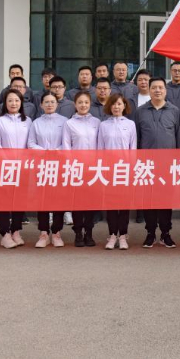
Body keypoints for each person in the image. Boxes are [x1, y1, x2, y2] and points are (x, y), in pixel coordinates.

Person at [134, 77, 180, 248]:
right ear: (149, 90)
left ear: (165, 90)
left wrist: (178, 162)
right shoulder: (140, 111)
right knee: (148, 199)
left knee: (165, 200)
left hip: (167, 165)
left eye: (160, 87)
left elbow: (178, 136)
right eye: (154, 87)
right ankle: (150, 233)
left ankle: (165, 233)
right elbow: (137, 138)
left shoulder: (175, 111)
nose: (157, 90)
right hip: (147, 165)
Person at [0, 89, 31, 249]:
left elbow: (30, 143)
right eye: (10, 100)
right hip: (4, 167)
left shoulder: (27, 121)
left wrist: (23, 162)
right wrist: (7, 162)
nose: (13, 103)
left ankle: (16, 231)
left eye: (16, 100)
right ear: (5, 103)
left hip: (23, 167)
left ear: (21, 103)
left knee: (19, 201)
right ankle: (5, 233)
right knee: (4, 201)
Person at [27, 94, 69, 247]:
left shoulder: (64, 122)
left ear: (57, 104)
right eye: (46, 102)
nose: (49, 104)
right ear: (41, 105)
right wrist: (45, 152)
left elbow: (67, 142)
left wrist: (56, 151)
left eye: (52, 102)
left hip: (59, 165)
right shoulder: (36, 123)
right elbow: (31, 143)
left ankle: (56, 232)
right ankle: (43, 232)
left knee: (59, 199)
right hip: (42, 165)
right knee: (42, 199)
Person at [97, 94, 137, 250]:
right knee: (111, 204)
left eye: (119, 104)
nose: (116, 107)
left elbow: (133, 148)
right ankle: (112, 234)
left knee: (124, 204)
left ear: (124, 106)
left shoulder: (130, 124)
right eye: (113, 104)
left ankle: (123, 235)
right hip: (108, 170)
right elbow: (100, 148)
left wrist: (132, 169)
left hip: (124, 170)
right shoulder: (103, 125)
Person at [62, 92, 101, 247]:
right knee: (77, 203)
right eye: (80, 102)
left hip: (93, 169)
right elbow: (66, 146)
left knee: (90, 203)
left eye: (86, 102)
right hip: (76, 168)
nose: (83, 105)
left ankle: (89, 233)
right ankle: (78, 233)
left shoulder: (97, 122)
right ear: (75, 104)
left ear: (90, 104)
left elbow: (100, 145)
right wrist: (70, 167)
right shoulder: (69, 123)